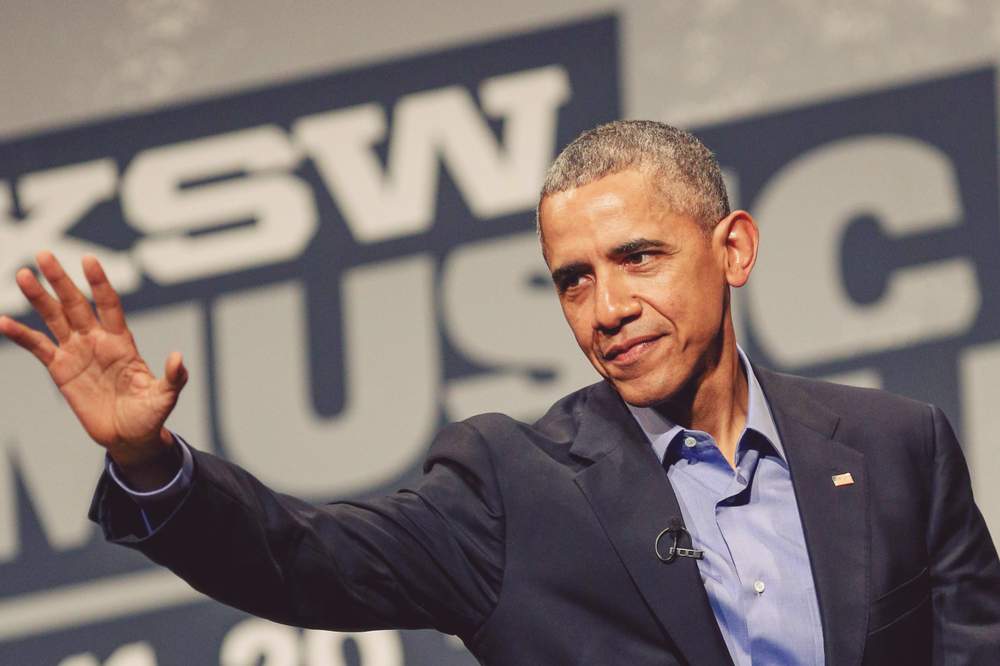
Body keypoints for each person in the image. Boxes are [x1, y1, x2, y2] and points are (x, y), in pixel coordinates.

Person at [1, 121, 998, 665]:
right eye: (573, 279)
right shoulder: (511, 487)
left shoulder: (893, 446)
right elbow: (302, 561)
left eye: (638, 258)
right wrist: (148, 464)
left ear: (731, 248)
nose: (606, 308)